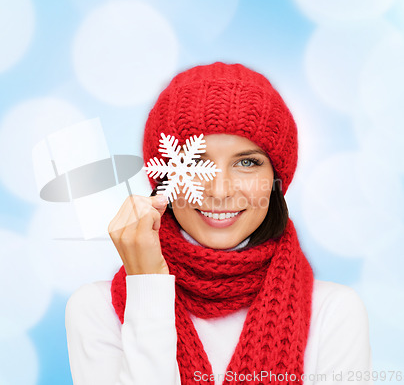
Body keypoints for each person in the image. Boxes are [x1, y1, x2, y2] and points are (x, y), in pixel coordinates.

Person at [65, 62, 372, 385]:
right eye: (196, 162)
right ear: (164, 177)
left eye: (247, 162)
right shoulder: (97, 309)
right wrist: (147, 287)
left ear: (275, 179)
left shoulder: (333, 313)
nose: (220, 190)